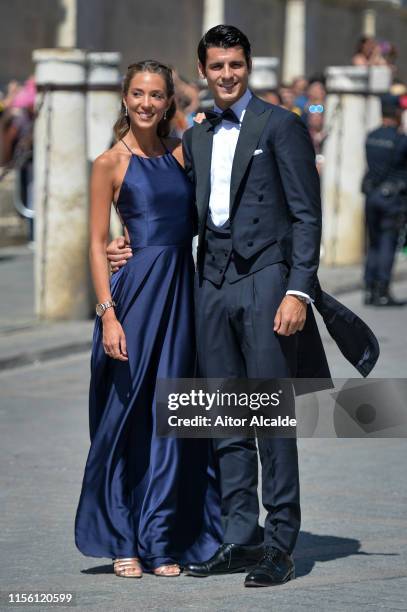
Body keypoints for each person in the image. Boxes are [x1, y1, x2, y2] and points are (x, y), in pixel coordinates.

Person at [107, 26, 379, 588]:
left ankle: (281, 545)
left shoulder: (281, 126)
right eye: (216, 66)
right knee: (226, 419)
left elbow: (308, 215)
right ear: (203, 72)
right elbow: (169, 204)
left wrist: (298, 290)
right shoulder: (197, 134)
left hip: (266, 283)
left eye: (235, 64)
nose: (226, 74)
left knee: (271, 417)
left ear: (248, 65)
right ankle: (240, 536)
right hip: (211, 285)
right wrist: (127, 243)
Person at [74, 60, 222, 579]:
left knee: (173, 417)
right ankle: (121, 538)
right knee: (125, 419)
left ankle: (162, 541)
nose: (145, 103)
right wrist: (107, 314)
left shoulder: (185, 152)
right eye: (137, 93)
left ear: (168, 102)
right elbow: (95, 244)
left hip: (182, 296)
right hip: (132, 300)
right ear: (125, 97)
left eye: (156, 95)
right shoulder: (109, 163)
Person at [362, 94, 407, 306]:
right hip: (393, 199)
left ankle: (369, 288)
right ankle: (382, 290)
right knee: (388, 243)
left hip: (371, 196)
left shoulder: (371, 136)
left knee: (374, 244)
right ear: (397, 113)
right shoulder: (400, 140)